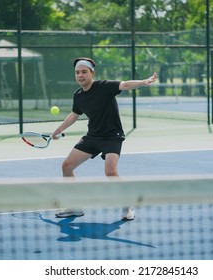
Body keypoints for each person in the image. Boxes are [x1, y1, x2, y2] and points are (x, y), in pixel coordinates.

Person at [52, 57, 157, 220]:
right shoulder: (78, 95)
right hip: (93, 136)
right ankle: (74, 206)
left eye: (84, 72)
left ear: (92, 73)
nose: (80, 75)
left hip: (112, 136)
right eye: (77, 72)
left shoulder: (105, 87)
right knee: (67, 166)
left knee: (110, 171)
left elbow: (125, 84)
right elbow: (74, 115)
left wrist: (144, 82)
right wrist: (58, 130)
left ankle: (127, 205)